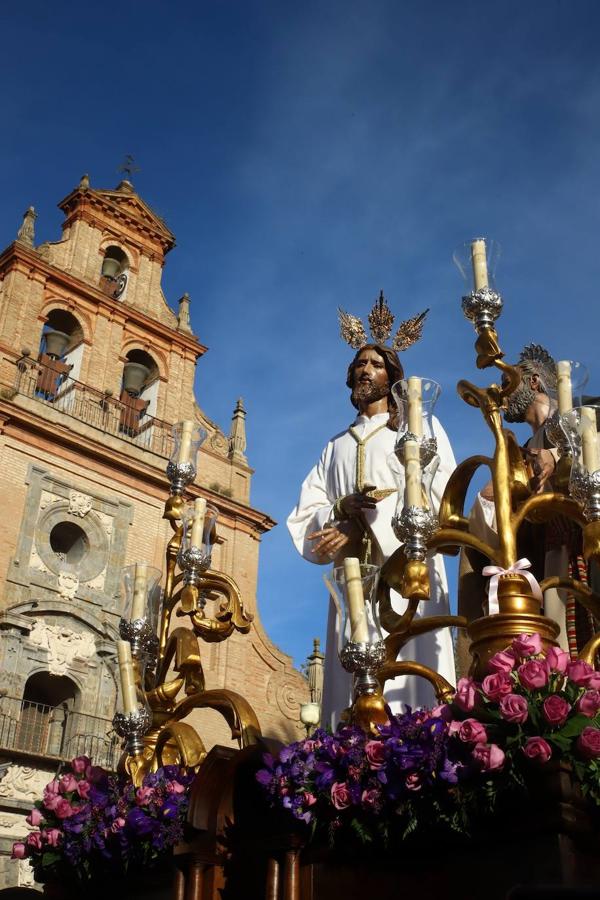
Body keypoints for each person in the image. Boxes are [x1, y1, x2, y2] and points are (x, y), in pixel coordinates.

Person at [287, 295, 457, 729]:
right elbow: (305, 513)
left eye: (376, 364)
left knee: (412, 670)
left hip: (408, 569)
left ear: (393, 376)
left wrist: (379, 526)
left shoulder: (420, 427)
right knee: (353, 672)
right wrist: (340, 514)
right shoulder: (335, 446)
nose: (365, 369)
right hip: (354, 581)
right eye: (360, 364)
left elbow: (443, 492)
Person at [457, 343, 592, 671]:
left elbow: (592, 447)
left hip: (585, 549)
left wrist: (559, 457)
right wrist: (491, 499)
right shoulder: (521, 449)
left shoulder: (586, 413)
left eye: (507, 384)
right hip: (545, 563)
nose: (501, 395)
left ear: (533, 383)